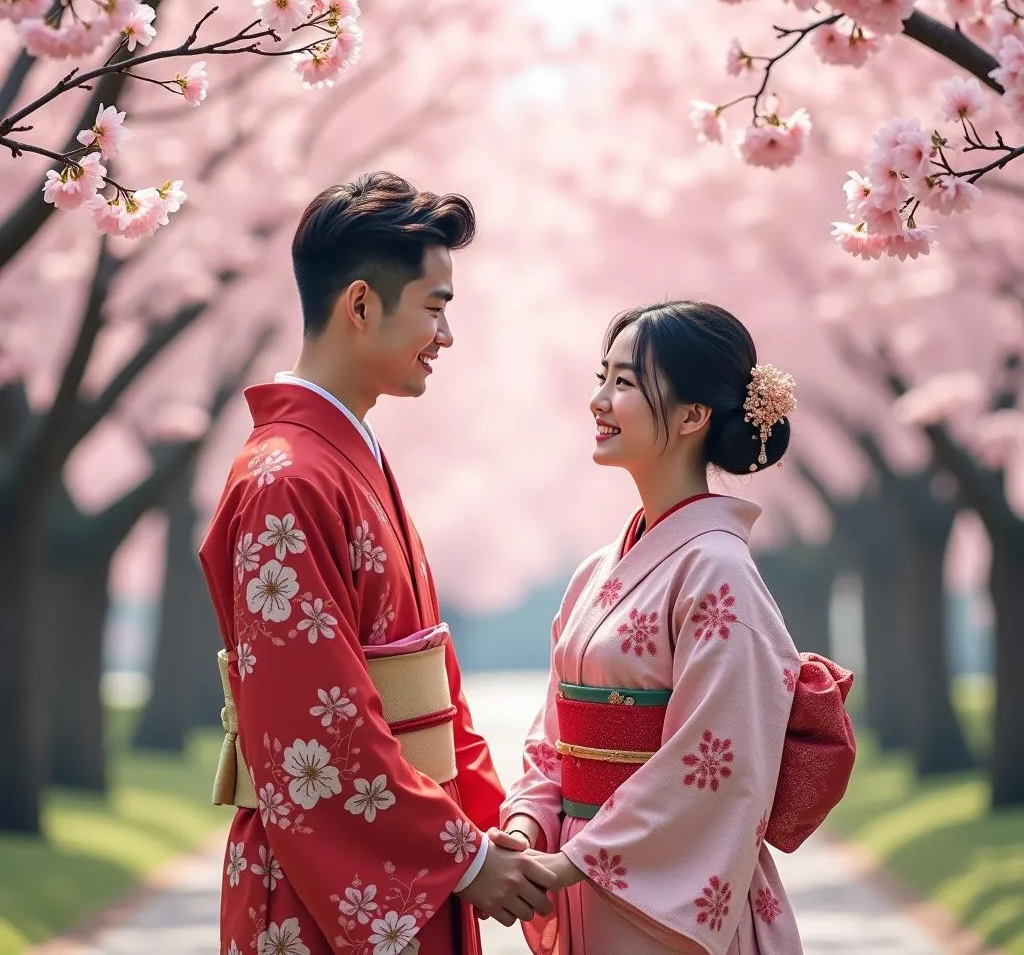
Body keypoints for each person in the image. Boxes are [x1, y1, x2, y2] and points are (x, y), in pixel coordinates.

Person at [199, 171, 557, 955]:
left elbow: (431, 685)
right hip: (314, 883)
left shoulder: (339, 460)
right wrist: (464, 857)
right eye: (435, 308)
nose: (447, 336)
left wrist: (496, 833)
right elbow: (313, 728)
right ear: (361, 305)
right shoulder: (287, 479)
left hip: (413, 850)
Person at [498, 300, 811, 955]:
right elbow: (555, 733)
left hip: (664, 904)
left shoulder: (719, 573)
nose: (597, 400)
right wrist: (529, 826)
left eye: (624, 383)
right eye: (600, 376)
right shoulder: (594, 573)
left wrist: (579, 859)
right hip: (590, 878)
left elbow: (719, 764)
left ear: (694, 416)